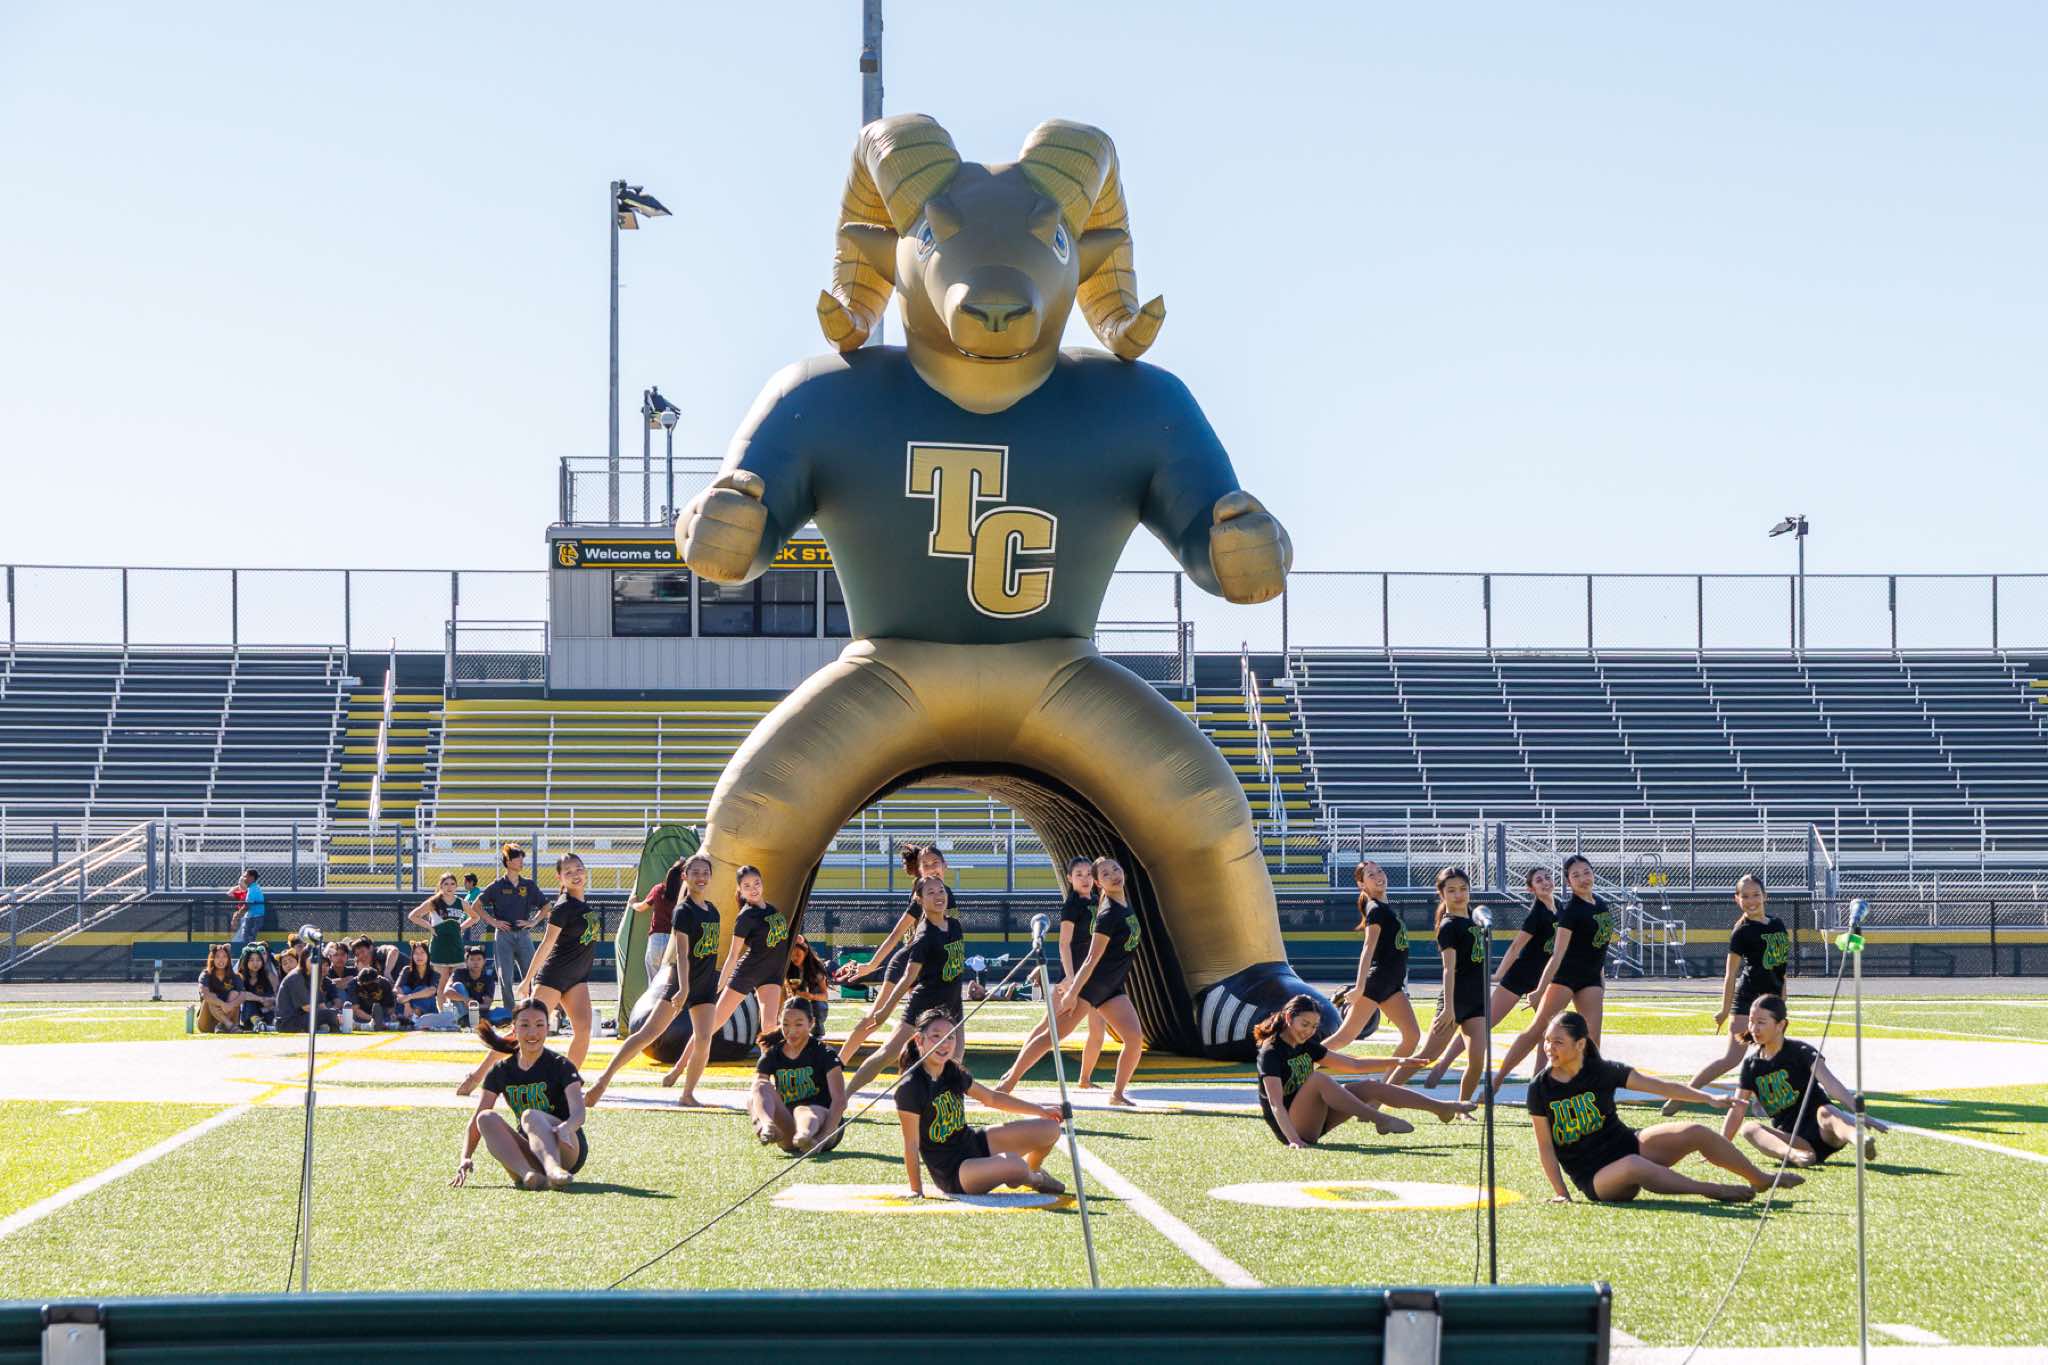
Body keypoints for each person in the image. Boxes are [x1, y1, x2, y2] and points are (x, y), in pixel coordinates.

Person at [1528, 1011, 1795, 1205]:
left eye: (1557, 1042)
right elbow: (1545, 1146)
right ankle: (1711, 1190)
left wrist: (1707, 1098)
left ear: (1580, 1044)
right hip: (1597, 1178)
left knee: (1695, 1131)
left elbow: (1662, 1087)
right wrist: (1562, 1193)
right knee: (1634, 1165)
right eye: (1547, 1040)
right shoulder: (1540, 1087)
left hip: (1628, 1145)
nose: (1549, 1048)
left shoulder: (1603, 1071)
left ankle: (1760, 1179)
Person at [998, 857, 1147, 1106]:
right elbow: (1090, 959)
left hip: (1112, 987)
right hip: (1091, 986)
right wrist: (1072, 992)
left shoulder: (1123, 905)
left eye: (1116, 869)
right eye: (1106, 874)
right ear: (1099, 883)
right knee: (1052, 1035)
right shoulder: (1108, 914)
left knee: (1134, 1039)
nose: (1114, 875)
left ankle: (1117, 1094)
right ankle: (1008, 1082)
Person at [1255, 994, 1475, 1147]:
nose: (1309, 1031)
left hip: (1315, 1119)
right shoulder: (1271, 1052)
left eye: (1314, 1026)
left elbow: (1354, 1065)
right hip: (1292, 1130)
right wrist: (1294, 1140)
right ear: (1288, 1018)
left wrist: (1398, 1061)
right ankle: (1379, 1118)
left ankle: (1441, 1108)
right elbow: (1275, 1104)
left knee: (1370, 1087)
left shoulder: (1306, 1045)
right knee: (1318, 1079)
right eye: (1304, 1024)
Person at [588, 854, 722, 1105]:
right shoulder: (683, 911)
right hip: (681, 982)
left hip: (704, 985)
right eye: (695, 872)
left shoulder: (713, 911)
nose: (701, 877)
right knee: (648, 1033)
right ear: (685, 876)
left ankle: (687, 1094)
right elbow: (681, 953)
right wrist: (683, 988)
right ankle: (602, 1081)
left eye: (705, 872)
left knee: (704, 1039)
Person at [895, 1008, 1066, 1199]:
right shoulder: (909, 1086)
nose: (945, 1043)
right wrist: (916, 1189)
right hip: (955, 1171)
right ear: (919, 1040)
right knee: (1014, 1164)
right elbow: (911, 1143)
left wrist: (1041, 1110)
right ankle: (1034, 1179)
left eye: (951, 1037)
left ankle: (1033, 1169)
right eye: (936, 1036)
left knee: (1050, 1128)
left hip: (972, 1143)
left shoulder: (951, 1070)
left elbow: (992, 1098)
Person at [1666, 875, 1793, 1114]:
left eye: (1756, 895)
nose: (1751, 901)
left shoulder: (1777, 924)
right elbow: (1731, 974)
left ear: (1765, 896)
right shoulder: (1741, 931)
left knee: (1771, 1055)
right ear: (1737, 899)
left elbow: (1781, 968)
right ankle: (1684, 1094)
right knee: (1731, 1058)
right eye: (1745, 896)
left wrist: (1782, 1000)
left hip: (1772, 1004)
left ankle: (1759, 1102)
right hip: (1747, 1002)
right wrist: (1725, 1010)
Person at [1424, 866, 1559, 1089]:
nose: (1545, 882)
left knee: (1546, 1028)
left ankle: (1538, 1080)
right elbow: (1515, 947)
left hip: (1543, 979)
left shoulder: (1560, 908)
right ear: (1531, 888)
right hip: (1519, 977)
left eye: (1547, 878)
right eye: (1539, 880)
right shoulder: (1537, 914)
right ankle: (1443, 1064)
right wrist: (1499, 974)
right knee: (1485, 1024)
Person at [666, 864, 789, 1107]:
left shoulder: (773, 910)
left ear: (762, 883)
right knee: (711, 1026)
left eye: (756, 883)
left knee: (770, 1027)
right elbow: (733, 956)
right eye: (747, 886)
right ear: (740, 890)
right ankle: (678, 1068)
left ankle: (770, 1080)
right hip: (746, 974)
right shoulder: (745, 916)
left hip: (772, 975)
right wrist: (719, 986)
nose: (753, 889)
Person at [1495, 853, 1617, 1083]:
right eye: (1576, 875)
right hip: (1565, 978)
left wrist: (1601, 979)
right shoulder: (1570, 911)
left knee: (1591, 1040)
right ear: (1568, 882)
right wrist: (1540, 990)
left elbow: (1599, 947)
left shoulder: (1601, 904)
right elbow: (1557, 954)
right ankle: (1497, 1080)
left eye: (1587, 872)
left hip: (1591, 979)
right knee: (1537, 1030)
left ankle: (1585, 1087)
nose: (1583, 878)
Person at [1723, 994, 1885, 1165]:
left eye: (1761, 1022)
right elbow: (1737, 1109)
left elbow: (1831, 1084)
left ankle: (1859, 1139)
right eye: (1751, 1021)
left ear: (1780, 1025)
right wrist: (1721, 1146)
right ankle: (1794, 1155)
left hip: (1825, 1130)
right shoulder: (1751, 1066)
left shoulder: (1800, 1051)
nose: (1754, 1028)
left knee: (1826, 1111)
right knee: (1749, 1128)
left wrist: (1859, 1113)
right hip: (1794, 1139)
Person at [994, 857, 1111, 1093]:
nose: (1085, 879)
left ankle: (1085, 1078)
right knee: (1049, 1027)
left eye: (1089, 874)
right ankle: (1012, 1072)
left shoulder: (1098, 901)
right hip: (1073, 976)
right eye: (1079, 874)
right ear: (1069, 878)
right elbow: (1064, 943)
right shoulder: (1072, 905)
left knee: (1097, 1031)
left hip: (1094, 976)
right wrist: (1070, 978)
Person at [844, 875, 967, 1095]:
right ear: (919, 900)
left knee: (954, 1060)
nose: (938, 896)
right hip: (924, 1005)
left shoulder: (955, 926)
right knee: (887, 1054)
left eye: (941, 890)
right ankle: (842, 1096)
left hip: (952, 1005)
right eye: (931, 892)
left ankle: (938, 1107)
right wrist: (884, 1011)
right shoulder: (924, 936)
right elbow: (908, 978)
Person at [451, 998, 589, 1191]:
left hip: (566, 1145)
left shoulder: (561, 1065)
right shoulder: (500, 1070)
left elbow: (579, 1113)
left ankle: (553, 1170)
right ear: (514, 1029)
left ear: (548, 1028)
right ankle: (528, 1175)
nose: (532, 1033)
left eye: (539, 1025)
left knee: (530, 1115)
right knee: (485, 1117)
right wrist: (465, 1157)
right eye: (525, 1025)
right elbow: (476, 1120)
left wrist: (566, 1127)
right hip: (530, 1150)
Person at [1388, 867, 1491, 1103]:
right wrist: (1448, 1009)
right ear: (1442, 894)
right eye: (1451, 890)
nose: (1458, 895)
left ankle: (1462, 1107)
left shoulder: (1476, 918)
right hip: (1454, 1001)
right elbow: (1448, 969)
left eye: (1463, 889)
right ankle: (1379, 1097)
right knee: (1427, 1056)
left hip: (1477, 1000)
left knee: (1477, 1060)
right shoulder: (1448, 925)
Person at [833, 844, 958, 998]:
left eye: (935, 863)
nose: (931, 868)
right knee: (892, 1004)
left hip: (925, 960)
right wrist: (871, 965)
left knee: (900, 1004)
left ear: (945, 865)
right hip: (919, 959)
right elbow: (898, 933)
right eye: (926, 864)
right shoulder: (923, 894)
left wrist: (872, 965)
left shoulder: (938, 893)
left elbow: (948, 933)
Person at [518, 853, 599, 1067]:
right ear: (560, 877)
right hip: (554, 978)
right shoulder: (563, 907)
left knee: (583, 1031)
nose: (575, 874)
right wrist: (527, 980)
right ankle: (481, 1074)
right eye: (568, 872)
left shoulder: (583, 905)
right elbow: (546, 945)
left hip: (577, 979)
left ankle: (569, 1079)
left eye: (579, 869)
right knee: (525, 1032)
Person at [1325, 859, 1412, 1052]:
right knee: (1344, 1037)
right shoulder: (1375, 909)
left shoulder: (1385, 909)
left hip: (1392, 984)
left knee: (1412, 1036)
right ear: (1361, 884)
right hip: (1378, 982)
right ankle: (1298, 1064)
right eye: (1370, 875)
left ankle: (1390, 1074)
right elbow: (1368, 947)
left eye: (1379, 871)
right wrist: (1359, 987)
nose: (1378, 876)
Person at [752, 998, 848, 1155]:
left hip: (827, 1129)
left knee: (803, 1111)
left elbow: (840, 1101)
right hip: (790, 1129)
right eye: (785, 1024)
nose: (791, 1031)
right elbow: (758, 1090)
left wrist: (822, 1138)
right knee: (758, 1086)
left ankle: (805, 1136)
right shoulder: (773, 1053)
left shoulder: (825, 1053)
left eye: (798, 1024)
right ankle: (767, 1126)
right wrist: (765, 1119)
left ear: (811, 1023)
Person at [476, 844, 548, 1012]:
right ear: (508, 861)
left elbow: (546, 906)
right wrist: (494, 922)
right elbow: (476, 906)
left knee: (531, 974)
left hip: (523, 935)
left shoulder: (528, 885)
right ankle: (510, 1013)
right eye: (518, 858)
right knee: (505, 977)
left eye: (522, 858)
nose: (522, 861)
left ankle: (531, 1009)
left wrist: (533, 922)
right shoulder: (497, 885)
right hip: (503, 936)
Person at [409, 873, 475, 1005]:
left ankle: (460, 1013)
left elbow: (475, 917)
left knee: (458, 984)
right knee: (442, 984)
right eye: (446, 884)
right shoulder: (434, 902)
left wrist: (461, 927)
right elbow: (413, 915)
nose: (449, 887)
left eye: (452, 884)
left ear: (456, 886)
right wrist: (429, 927)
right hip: (439, 947)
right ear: (441, 886)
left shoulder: (461, 902)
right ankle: (443, 1013)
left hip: (456, 947)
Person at [274, 947, 349, 1034]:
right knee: (330, 1014)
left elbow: (321, 1005)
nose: (316, 963)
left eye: (319, 961)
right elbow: (307, 1007)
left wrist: (335, 1014)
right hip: (288, 1023)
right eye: (312, 960)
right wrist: (330, 1014)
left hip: (303, 1017)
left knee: (333, 1014)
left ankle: (332, 1032)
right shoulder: (296, 977)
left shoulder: (312, 976)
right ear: (303, 960)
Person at [394, 940, 451, 1028]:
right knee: (405, 989)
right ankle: (407, 1019)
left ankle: (413, 1018)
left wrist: (409, 996)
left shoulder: (433, 972)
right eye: (416, 953)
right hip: (407, 1009)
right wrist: (407, 1004)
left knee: (422, 989)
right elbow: (396, 989)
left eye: (422, 953)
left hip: (427, 1010)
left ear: (428, 955)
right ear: (412, 956)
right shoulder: (407, 970)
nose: (419, 956)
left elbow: (431, 991)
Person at [784, 933, 833, 1032]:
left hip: (814, 1006)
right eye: (791, 955)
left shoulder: (816, 970)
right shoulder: (788, 969)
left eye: (798, 954)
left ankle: (817, 1031)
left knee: (818, 1005)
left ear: (806, 952)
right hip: (795, 1005)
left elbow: (825, 996)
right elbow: (784, 994)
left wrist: (811, 996)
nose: (794, 958)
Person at [447, 944, 505, 1025]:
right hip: (460, 1010)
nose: (476, 962)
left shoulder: (488, 979)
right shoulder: (459, 973)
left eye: (479, 959)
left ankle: (472, 1020)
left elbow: (487, 1005)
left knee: (504, 1013)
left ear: (484, 961)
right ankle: (464, 1019)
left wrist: (473, 1006)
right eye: (472, 959)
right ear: (466, 962)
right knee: (457, 985)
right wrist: (465, 999)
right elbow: (446, 992)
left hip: (477, 1012)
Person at [194, 944, 242, 1033]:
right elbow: (204, 994)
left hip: (230, 1018)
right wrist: (222, 1004)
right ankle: (227, 1023)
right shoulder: (205, 974)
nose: (221, 959)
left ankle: (221, 1025)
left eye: (224, 956)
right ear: (212, 958)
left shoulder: (235, 976)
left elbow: (243, 995)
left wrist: (230, 1005)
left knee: (234, 994)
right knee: (211, 997)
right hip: (208, 1023)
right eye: (217, 957)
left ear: (228, 959)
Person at [235, 945, 277, 1029]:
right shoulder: (240, 976)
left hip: (266, 1009)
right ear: (246, 961)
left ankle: (273, 1024)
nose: (255, 963)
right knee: (250, 1002)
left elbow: (277, 995)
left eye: (258, 960)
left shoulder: (268, 975)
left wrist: (270, 1000)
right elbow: (243, 995)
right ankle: (257, 1023)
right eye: (251, 960)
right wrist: (261, 999)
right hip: (249, 1015)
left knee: (271, 1007)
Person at [350, 966, 403, 1031]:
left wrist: (392, 1016)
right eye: (366, 985)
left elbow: (390, 1007)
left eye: (371, 984)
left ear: (377, 980)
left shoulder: (384, 983)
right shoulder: (353, 984)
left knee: (396, 1022)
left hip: (381, 1014)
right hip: (361, 1016)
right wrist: (374, 1020)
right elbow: (355, 1009)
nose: (369, 987)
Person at [226, 869, 267, 952]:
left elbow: (247, 906)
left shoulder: (252, 890)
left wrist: (236, 917)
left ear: (251, 878)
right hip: (253, 918)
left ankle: (249, 955)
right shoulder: (254, 888)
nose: (244, 878)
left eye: (245, 876)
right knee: (248, 939)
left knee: (248, 940)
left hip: (254, 918)